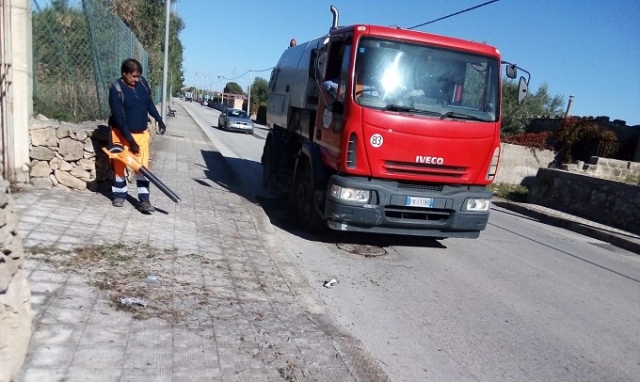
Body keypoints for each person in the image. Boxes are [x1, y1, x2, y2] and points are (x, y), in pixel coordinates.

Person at [108, 58, 166, 214]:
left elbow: (148, 104)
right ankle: (119, 195)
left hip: (141, 134)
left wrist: (159, 119)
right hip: (120, 134)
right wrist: (130, 140)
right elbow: (120, 119)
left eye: (138, 76)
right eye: (133, 76)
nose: (136, 79)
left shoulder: (143, 85)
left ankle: (144, 200)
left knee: (142, 169)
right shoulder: (116, 89)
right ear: (124, 73)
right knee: (119, 166)